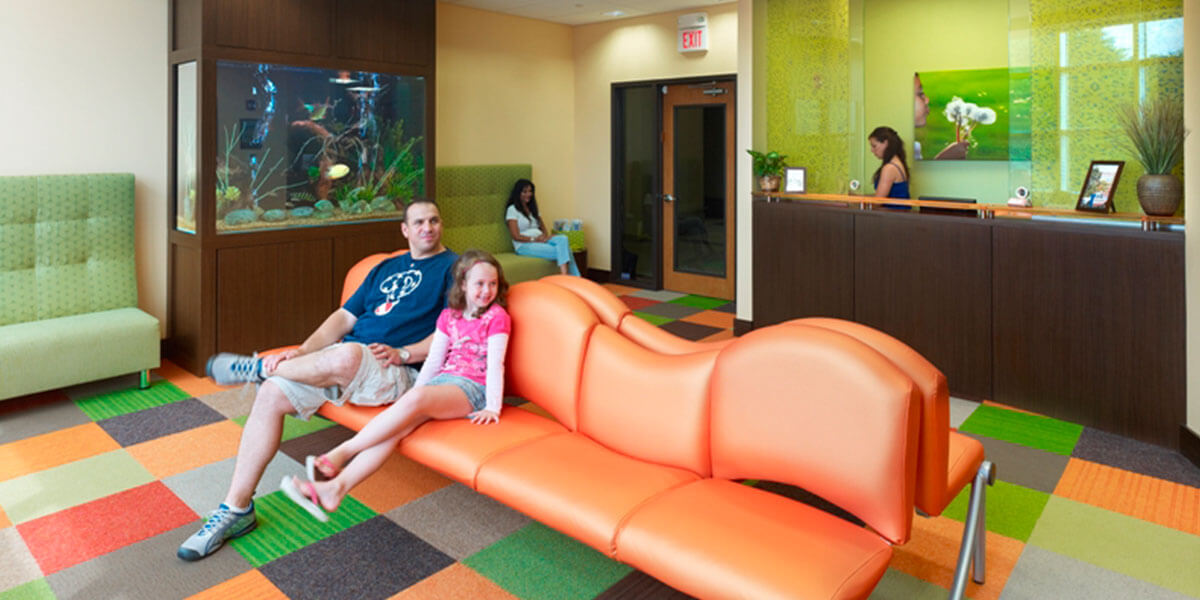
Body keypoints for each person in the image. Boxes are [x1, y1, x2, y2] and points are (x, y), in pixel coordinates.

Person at [177, 198, 457, 561]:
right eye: (418, 222)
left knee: (343, 355)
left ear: (441, 225)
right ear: (405, 230)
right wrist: (304, 351)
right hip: (345, 363)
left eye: (434, 220)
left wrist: (406, 353)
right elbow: (343, 319)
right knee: (272, 394)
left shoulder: (456, 268)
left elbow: (456, 330)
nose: (427, 228)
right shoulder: (384, 267)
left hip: (394, 369)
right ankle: (236, 509)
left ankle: (259, 367)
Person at [280, 250, 511, 522]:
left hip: (473, 388)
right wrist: (415, 394)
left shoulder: (497, 317)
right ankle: (334, 489)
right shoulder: (449, 316)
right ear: (463, 285)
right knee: (396, 428)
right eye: (479, 284)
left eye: (492, 284)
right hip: (443, 383)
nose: (486, 291)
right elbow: (435, 360)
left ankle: (342, 452)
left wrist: (493, 407)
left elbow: (496, 364)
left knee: (414, 400)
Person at [505, 179, 580, 276]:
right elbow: (515, 236)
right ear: (518, 193)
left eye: (530, 191)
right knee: (565, 250)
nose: (528, 194)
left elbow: (542, 227)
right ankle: (571, 279)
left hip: (540, 239)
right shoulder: (512, 209)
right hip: (524, 245)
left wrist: (545, 236)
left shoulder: (533, 208)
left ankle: (569, 279)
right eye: (525, 192)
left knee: (563, 239)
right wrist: (535, 239)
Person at [869, 126, 911, 209]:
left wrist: (856, 201)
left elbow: (878, 201)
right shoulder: (898, 162)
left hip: (894, 218)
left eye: (874, 146)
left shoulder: (890, 168)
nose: (872, 150)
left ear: (886, 143)